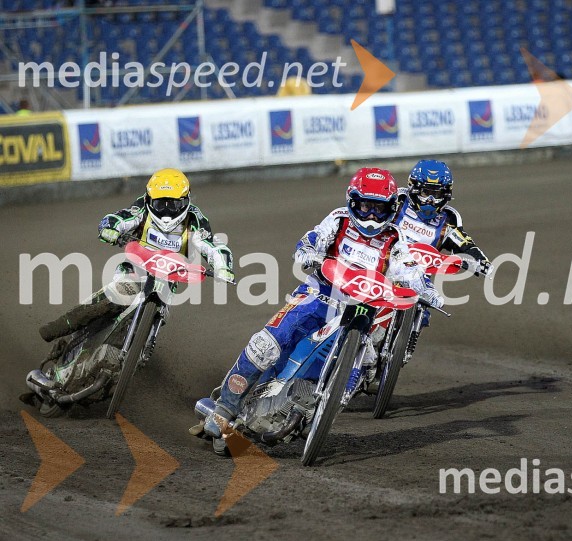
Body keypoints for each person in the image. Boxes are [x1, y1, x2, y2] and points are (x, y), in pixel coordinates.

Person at [199, 168, 443, 440]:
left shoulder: (397, 239)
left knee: (369, 360)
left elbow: (409, 268)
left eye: (379, 208)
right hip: (319, 294)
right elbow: (314, 237)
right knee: (267, 344)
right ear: (353, 202)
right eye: (365, 206)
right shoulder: (339, 220)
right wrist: (307, 251)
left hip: (363, 308)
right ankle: (225, 408)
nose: (372, 215)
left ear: (391, 207)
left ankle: (313, 408)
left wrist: (427, 290)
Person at [39, 168, 235, 342]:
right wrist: (111, 229)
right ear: (149, 199)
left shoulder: (195, 219)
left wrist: (223, 267)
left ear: (185, 201)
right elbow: (120, 218)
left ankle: (144, 344)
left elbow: (212, 246)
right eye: (160, 204)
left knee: (162, 313)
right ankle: (61, 325)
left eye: (173, 205)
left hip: (168, 279)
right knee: (116, 293)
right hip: (134, 268)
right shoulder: (141, 208)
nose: (166, 211)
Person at [392, 160, 491, 359]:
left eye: (436, 194)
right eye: (425, 192)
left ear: (445, 195)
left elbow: (465, 244)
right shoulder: (396, 202)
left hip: (416, 277)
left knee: (425, 305)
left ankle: (403, 351)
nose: (429, 200)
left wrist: (481, 262)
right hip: (380, 265)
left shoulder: (448, 220)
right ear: (413, 188)